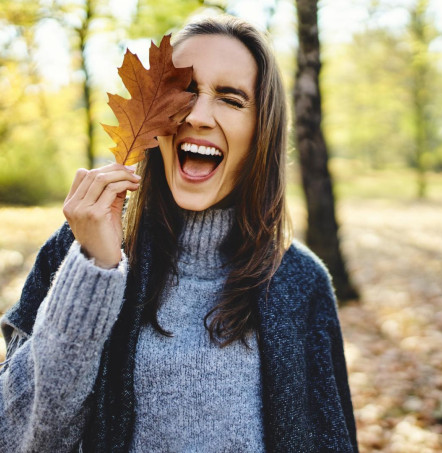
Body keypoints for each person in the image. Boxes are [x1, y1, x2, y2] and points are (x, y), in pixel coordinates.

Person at [0, 16, 357, 453]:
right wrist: (94, 269)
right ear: (151, 114)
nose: (199, 115)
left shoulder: (301, 281)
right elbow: (20, 438)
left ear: (262, 130)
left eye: (230, 98)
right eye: (185, 91)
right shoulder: (74, 251)